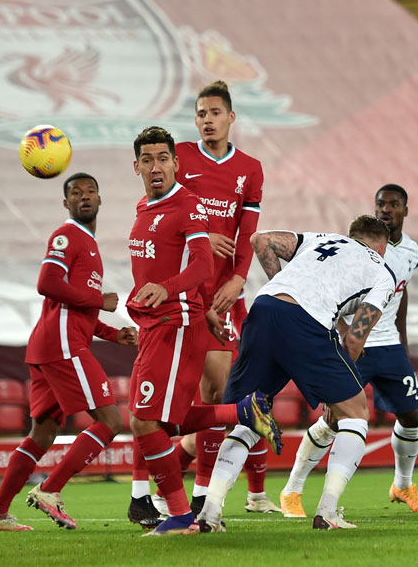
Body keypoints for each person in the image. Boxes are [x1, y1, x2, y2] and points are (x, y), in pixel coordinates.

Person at [125, 126, 280, 537]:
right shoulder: (145, 206)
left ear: (176, 163)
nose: (156, 167)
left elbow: (202, 265)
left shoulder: (188, 205)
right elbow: (158, 263)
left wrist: (170, 290)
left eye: (163, 159)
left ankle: (179, 515)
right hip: (155, 323)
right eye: (147, 160)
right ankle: (243, 412)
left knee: (145, 421)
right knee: (150, 420)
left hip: (175, 324)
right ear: (136, 166)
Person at [196, 215, 397, 532]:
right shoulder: (383, 271)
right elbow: (354, 339)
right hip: (307, 322)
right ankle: (328, 511)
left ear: (351, 235)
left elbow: (261, 240)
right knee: (356, 413)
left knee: (248, 416)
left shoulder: (323, 240)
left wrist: (284, 285)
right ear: (382, 247)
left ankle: (209, 512)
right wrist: (338, 391)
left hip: (264, 309)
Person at [0, 173, 138, 532]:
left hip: (50, 345)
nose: (85, 197)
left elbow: (76, 311)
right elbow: (46, 283)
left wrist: (113, 334)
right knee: (111, 421)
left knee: (43, 434)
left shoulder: (89, 244)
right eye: (76, 193)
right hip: (63, 346)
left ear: (100, 199)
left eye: (91, 191)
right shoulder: (67, 236)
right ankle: (50, 490)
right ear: (66, 203)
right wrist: (99, 299)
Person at [280, 184, 418, 517]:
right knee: (334, 419)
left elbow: (400, 291)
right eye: (381, 204)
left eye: (393, 204)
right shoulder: (353, 249)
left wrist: (403, 342)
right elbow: (327, 293)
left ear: (406, 210)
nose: (386, 209)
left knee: (412, 416)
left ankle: (403, 485)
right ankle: (292, 489)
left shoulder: (412, 251)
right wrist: (342, 330)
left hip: (389, 346)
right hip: (354, 345)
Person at [171, 80, 273, 516]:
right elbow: (161, 216)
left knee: (230, 396)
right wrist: (199, 233)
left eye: (215, 113)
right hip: (185, 293)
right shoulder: (179, 158)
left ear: (231, 118)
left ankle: (196, 490)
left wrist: (239, 280)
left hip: (226, 296)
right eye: (201, 114)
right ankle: (188, 496)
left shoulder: (249, 168)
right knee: (206, 400)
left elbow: (247, 235)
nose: (207, 120)